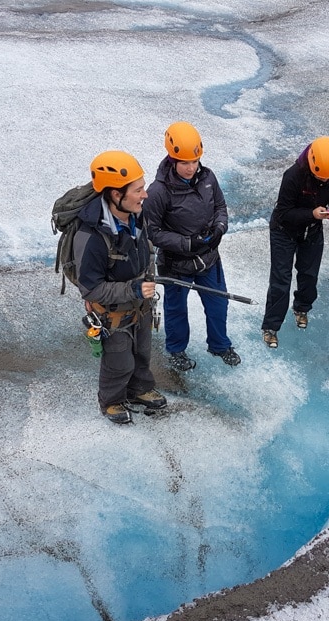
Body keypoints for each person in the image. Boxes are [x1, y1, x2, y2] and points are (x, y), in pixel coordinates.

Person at [75, 150, 166, 424]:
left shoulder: (136, 215)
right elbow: (90, 290)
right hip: (111, 312)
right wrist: (134, 289)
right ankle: (111, 400)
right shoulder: (90, 237)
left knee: (142, 351)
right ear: (116, 194)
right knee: (119, 361)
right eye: (138, 190)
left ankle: (140, 389)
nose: (145, 195)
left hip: (141, 304)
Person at [143, 121, 240, 370]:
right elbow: (152, 232)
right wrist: (187, 243)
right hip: (176, 263)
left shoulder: (208, 177)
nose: (190, 168)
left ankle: (219, 345)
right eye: (184, 162)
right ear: (172, 159)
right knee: (177, 311)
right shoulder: (158, 192)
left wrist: (220, 227)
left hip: (209, 258)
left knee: (218, 304)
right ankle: (176, 350)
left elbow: (220, 206)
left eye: (194, 161)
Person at [260, 136, 329, 348]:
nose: (325, 181)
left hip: (312, 230)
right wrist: (312, 214)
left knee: (309, 274)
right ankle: (271, 326)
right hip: (284, 231)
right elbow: (284, 212)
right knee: (281, 279)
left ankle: (302, 308)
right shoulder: (293, 176)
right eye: (321, 177)